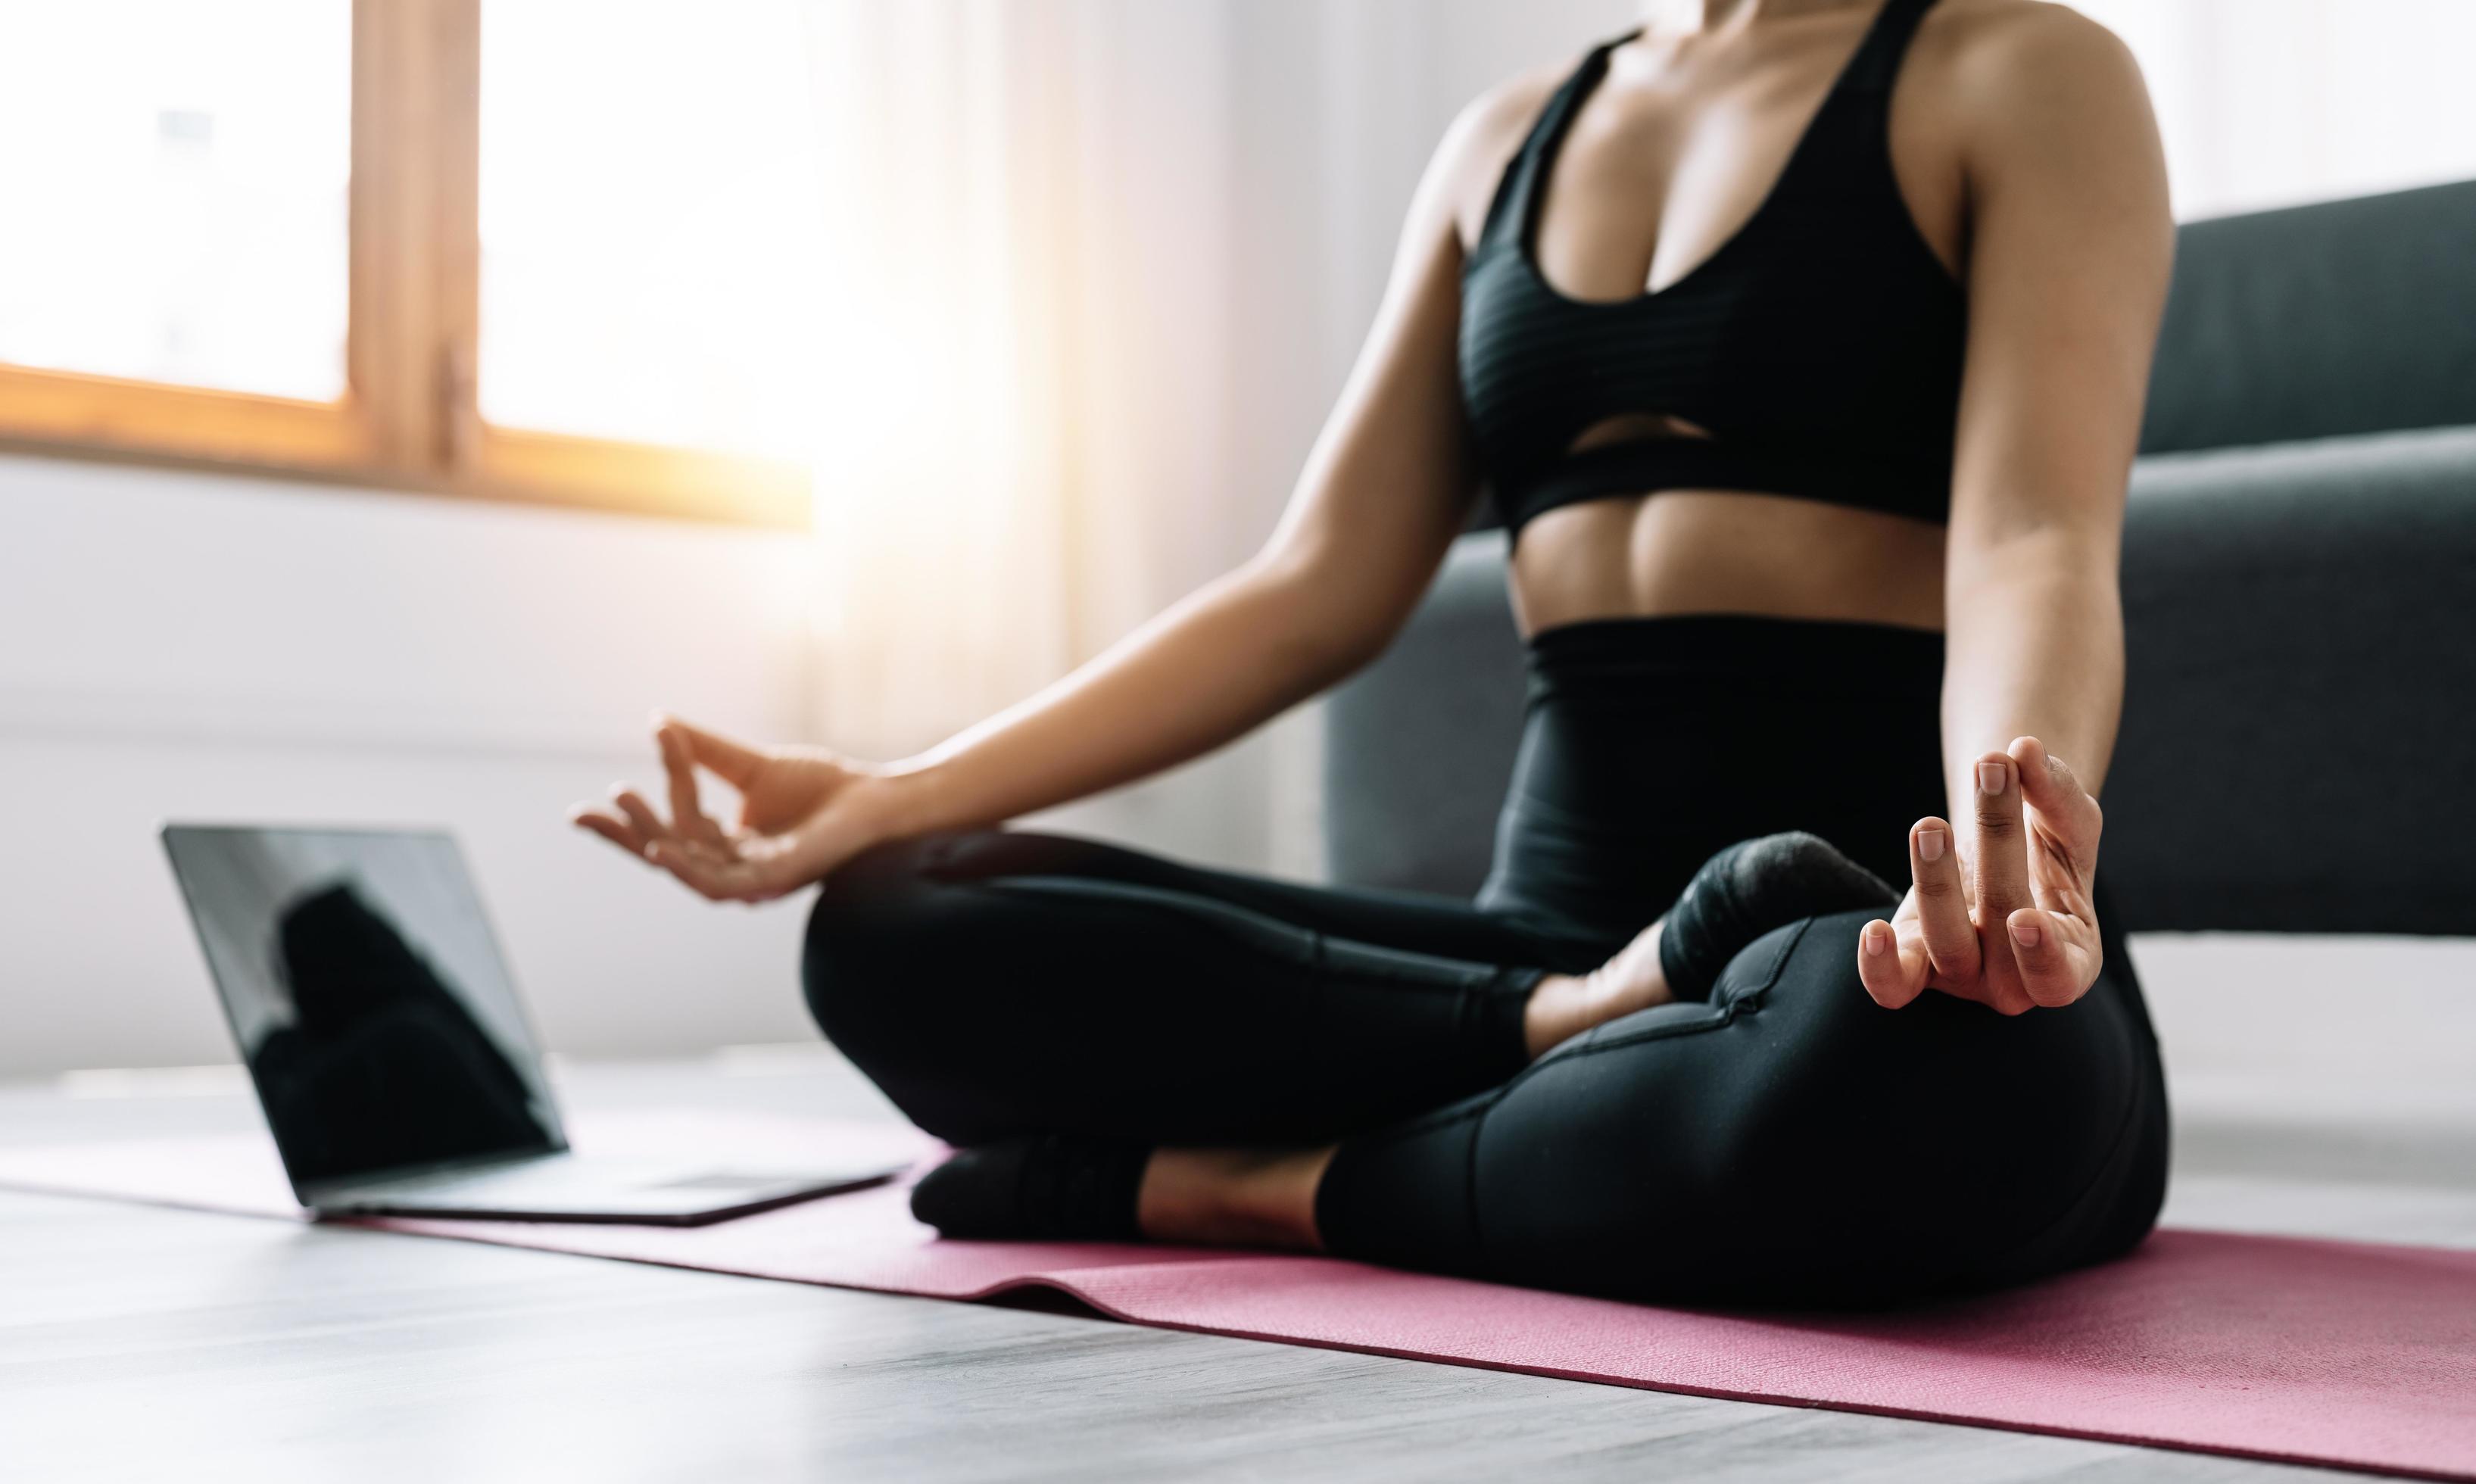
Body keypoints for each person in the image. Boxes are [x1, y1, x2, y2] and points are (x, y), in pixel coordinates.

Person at [576, 0, 2174, 1309]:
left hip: (1871, 940)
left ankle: (1250, 1183)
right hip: (1538, 955)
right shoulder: (1507, 139)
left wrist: (2013, 842)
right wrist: (894, 789)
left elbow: (2034, 535)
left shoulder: (2024, 71)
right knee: (893, 922)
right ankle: (1553, 1040)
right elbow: (1314, 581)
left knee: (1895, 1069)